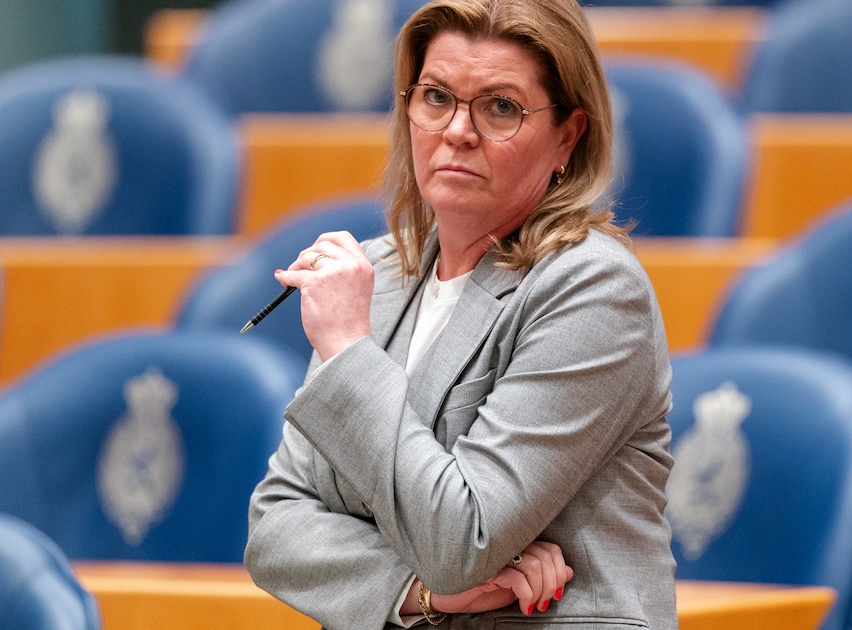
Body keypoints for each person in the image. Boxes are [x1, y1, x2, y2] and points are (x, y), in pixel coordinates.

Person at [243, 0, 677, 628]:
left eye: (500, 107)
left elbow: (461, 542)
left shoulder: (593, 289)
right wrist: (419, 590)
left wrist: (347, 349)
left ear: (567, 135)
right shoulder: (379, 275)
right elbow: (275, 525)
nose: (457, 131)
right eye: (437, 97)